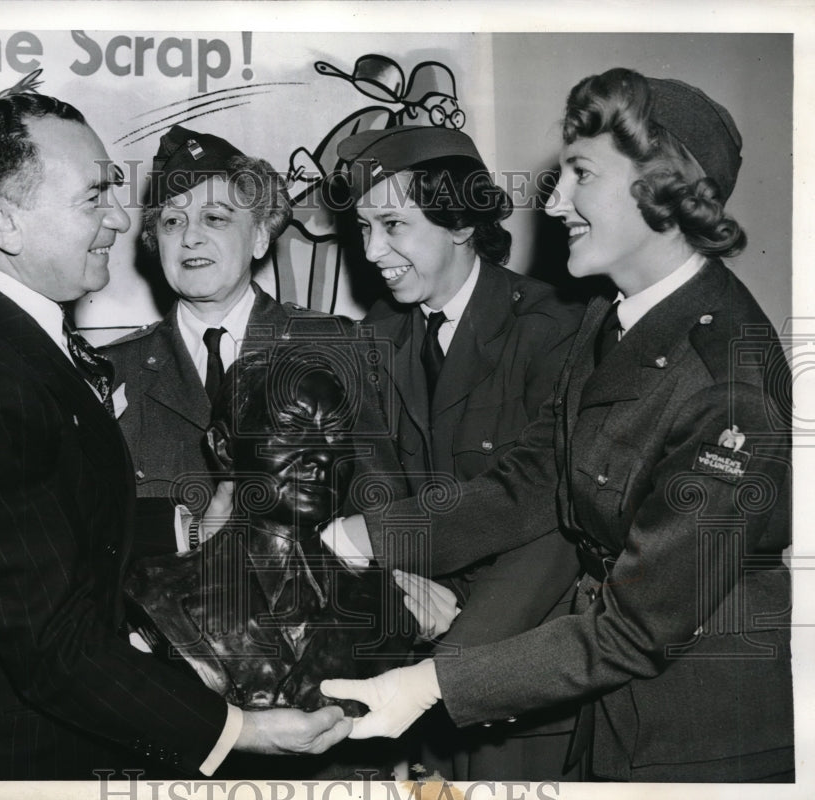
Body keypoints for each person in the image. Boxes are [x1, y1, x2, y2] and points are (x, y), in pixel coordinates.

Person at [322, 68, 794, 782]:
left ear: (661, 190)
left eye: (580, 174)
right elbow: (531, 482)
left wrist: (431, 685)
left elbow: (637, 627)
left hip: (698, 737)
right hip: (612, 716)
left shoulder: (725, 383)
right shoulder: (611, 317)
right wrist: (363, 536)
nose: (553, 198)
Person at [0, 91, 350, 780]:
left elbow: (37, 521)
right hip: (9, 757)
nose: (122, 221)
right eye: (94, 197)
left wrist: (186, 525)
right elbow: (53, 647)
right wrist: (239, 729)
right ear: (3, 220)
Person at [333, 125, 585, 779]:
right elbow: (374, 487)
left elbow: (555, 511)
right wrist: (398, 590)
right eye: (362, 228)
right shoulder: (371, 342)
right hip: (411, 665)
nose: (372, 252)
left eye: (392, 225)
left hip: (521, 679)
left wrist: (449, 667)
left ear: (461, 221)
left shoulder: (558, 330)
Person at [104, 125, 403, 559]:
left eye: (216, 218)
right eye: (172, 222)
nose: (190, 237)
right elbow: (86, 524)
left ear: (261, 235)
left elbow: (382, 504)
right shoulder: (113, 370)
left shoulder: (335, 346)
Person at [124, 349, 416, 716]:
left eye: (337, 435)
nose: (324, 456)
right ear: (225, 448)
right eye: (292, 429)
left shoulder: (383, 602)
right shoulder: (158, 590)